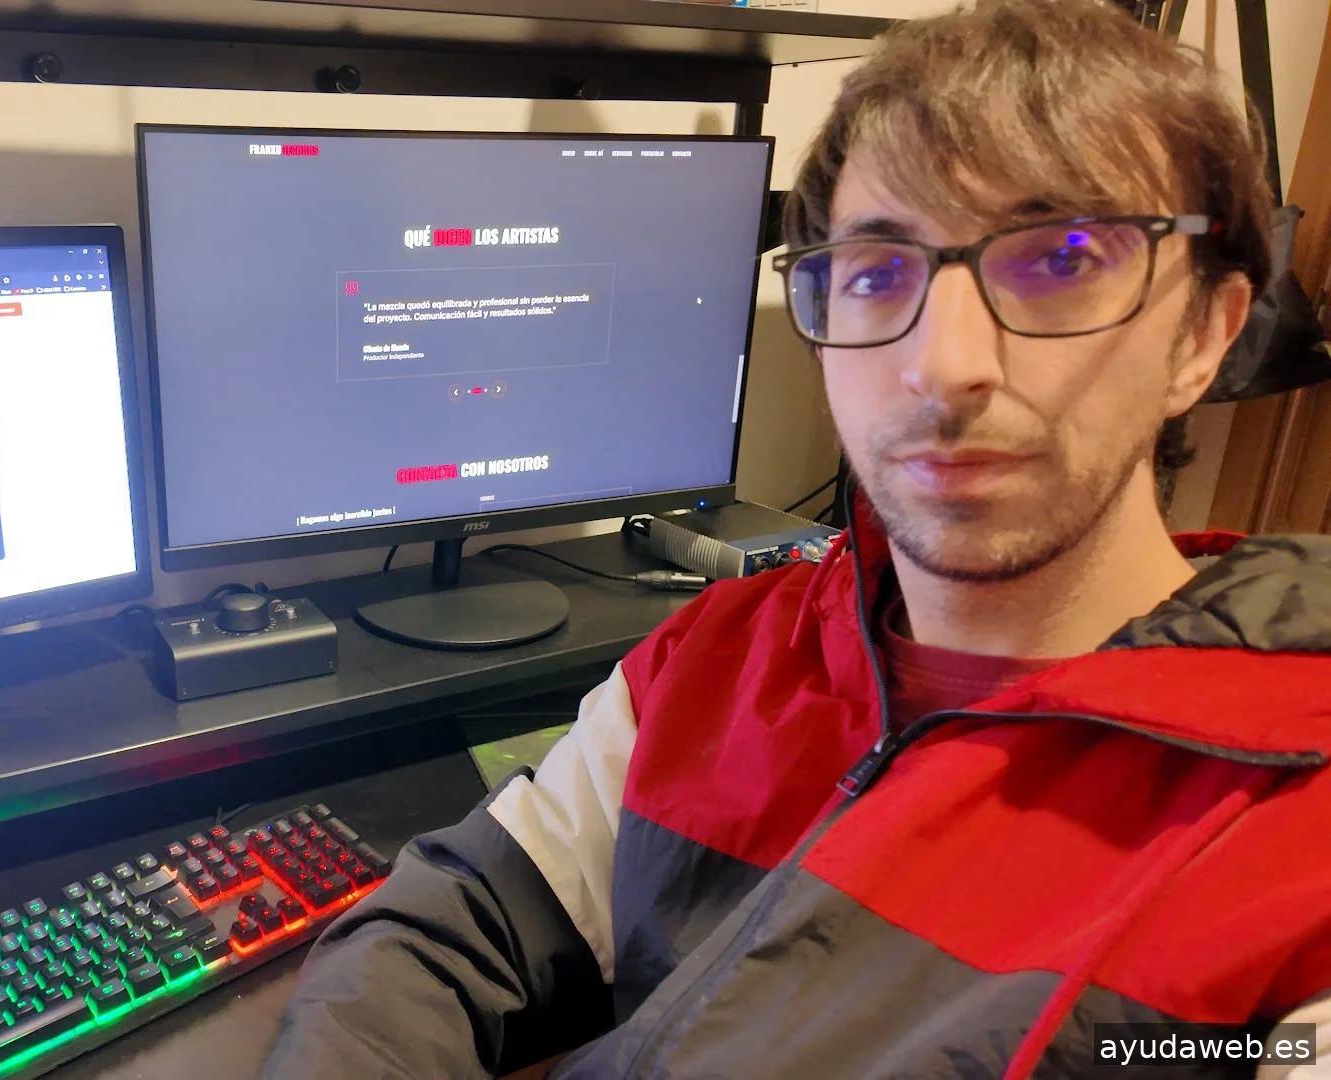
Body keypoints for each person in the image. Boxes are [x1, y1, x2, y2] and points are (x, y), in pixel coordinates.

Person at [260, 1, 1331, 1077]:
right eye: (876, 273)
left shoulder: (1296, 834)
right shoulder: (719, 656)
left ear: (1204, 335)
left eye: (1061, 259)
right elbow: (454, 927)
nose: (943, 364)